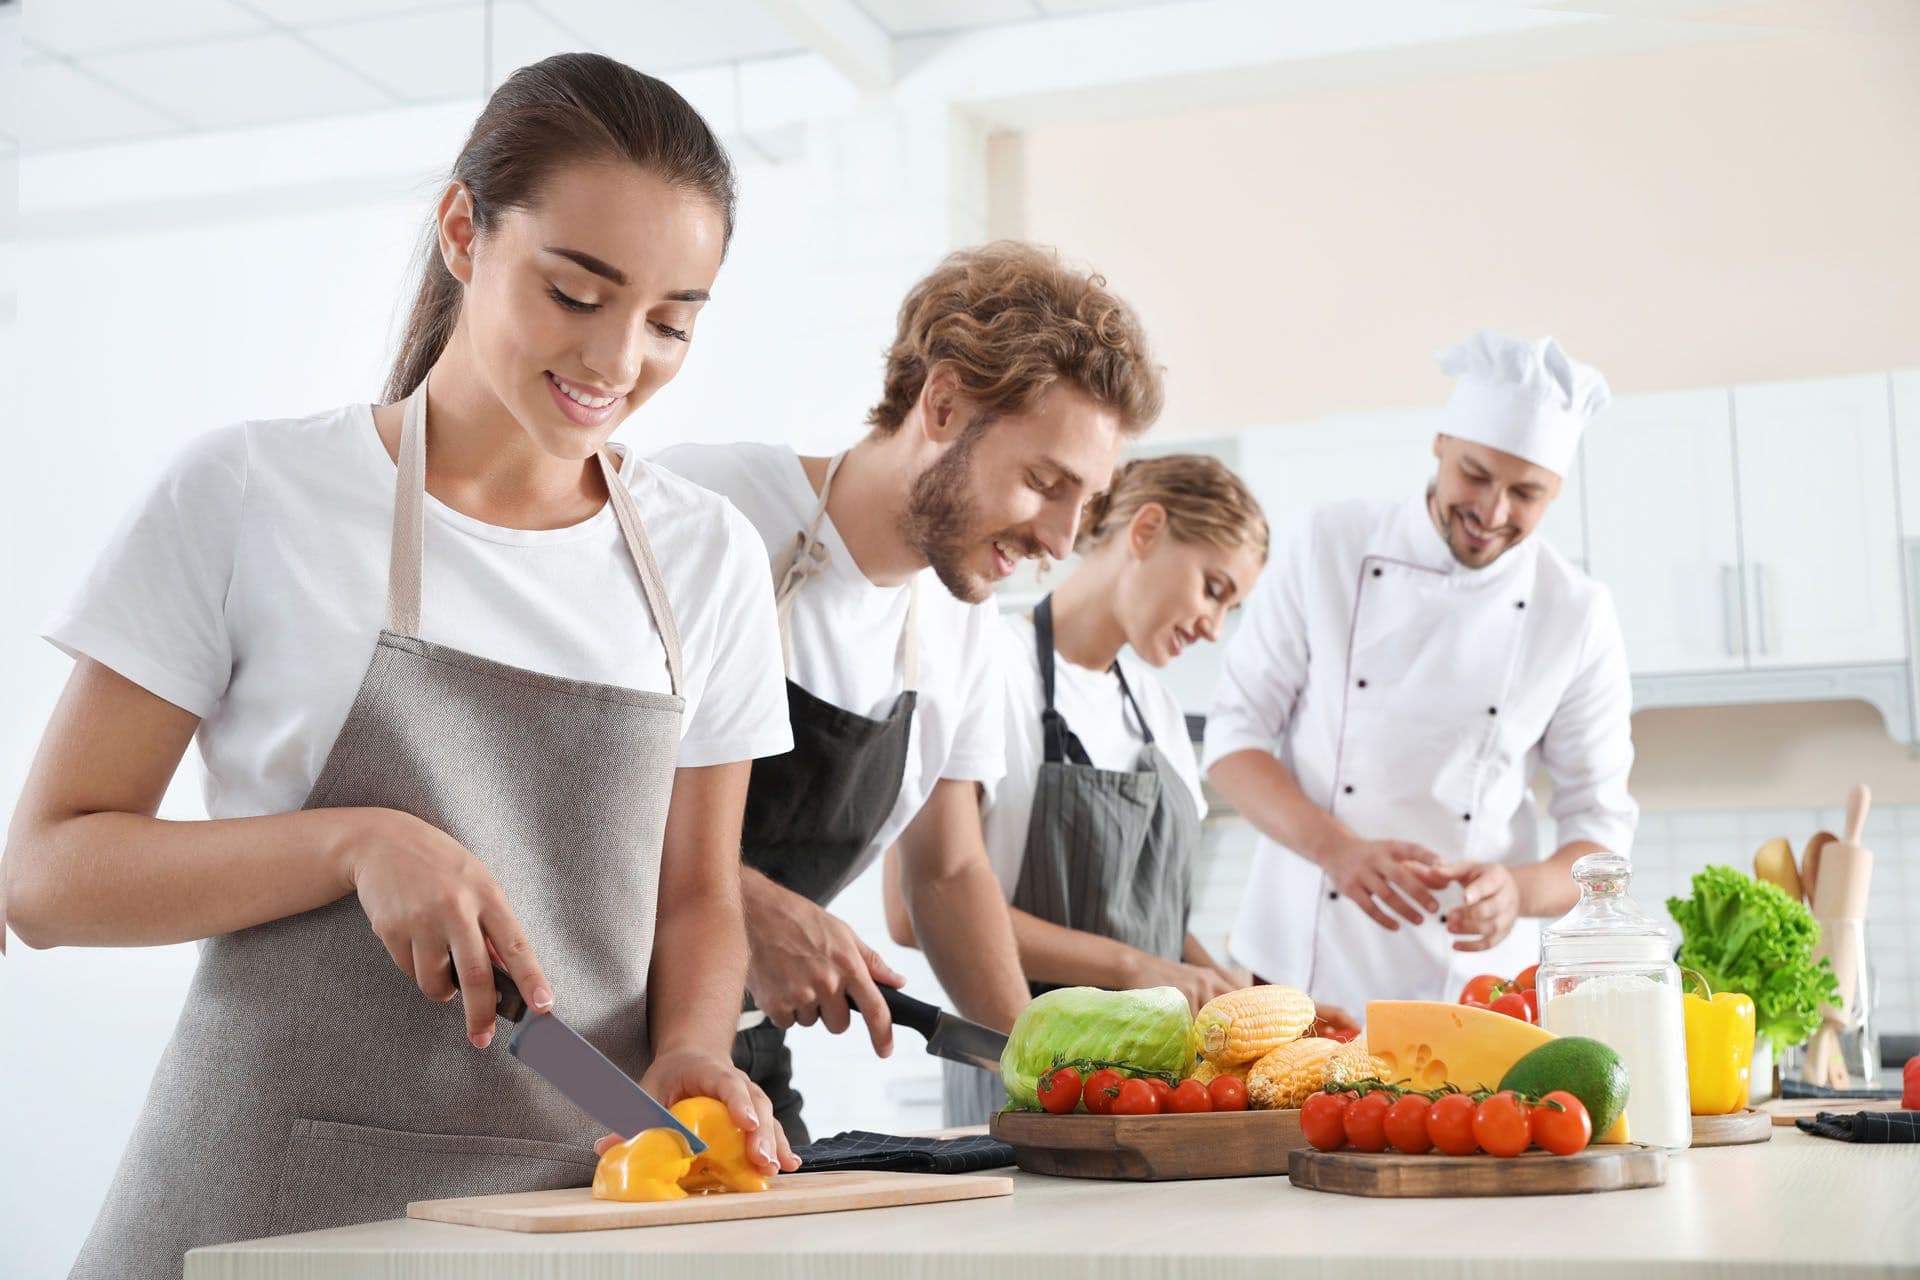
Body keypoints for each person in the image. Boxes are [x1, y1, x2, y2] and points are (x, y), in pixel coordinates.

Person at [3, 55, 799, 1277]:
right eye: (576, 291)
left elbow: (695, 894)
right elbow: (46, 878)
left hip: (569, 1210)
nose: (618, 359)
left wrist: (691, 1044)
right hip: (259, 1206)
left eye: (672, 321)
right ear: (462, 231)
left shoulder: (709, 560)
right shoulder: (252, 494)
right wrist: (351, 839)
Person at [654, 241, 1163, 1143]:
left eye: (1083, 503)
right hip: (576, 1052)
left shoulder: (960, 623)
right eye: (1044, 482)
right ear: (943, 402)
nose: (1058, 537)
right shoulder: (701, 509)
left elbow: (948, 869)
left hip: (743, 1075)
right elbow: (551, 787)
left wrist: (1034, 1084)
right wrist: (748, 906)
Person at [1203, 331, 1637, 1015]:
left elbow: (1601, 830)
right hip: (1297, 968)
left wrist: (1519, 893)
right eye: (1475, 474)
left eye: (1526, 492)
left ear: (1556, 491)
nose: (1491, 513)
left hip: (1475, 986)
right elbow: (1232, 742)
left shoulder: (1575, 613)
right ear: (1440, 443)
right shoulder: (1331, 545)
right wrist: (1338, 850)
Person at [882, 454, 1274, 1125]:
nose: (1214, 627)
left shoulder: (1160, 714)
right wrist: (1132, 970)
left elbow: (1156, 925)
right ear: (1146, 530)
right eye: (1213, 588)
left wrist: (1230, 998)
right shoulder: (990, 667)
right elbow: (910, 910)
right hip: (1025, 1076)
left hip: (1155, 1091)